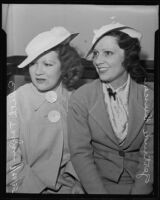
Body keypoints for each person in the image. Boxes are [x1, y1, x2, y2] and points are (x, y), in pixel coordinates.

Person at [67, 22, 154, 194]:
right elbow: (80, 154)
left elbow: (149, 155)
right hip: (96, 184)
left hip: (138, 184)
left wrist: (139, 193)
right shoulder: (81, 97)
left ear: (128, 57)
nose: (98, 61)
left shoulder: (149, 98)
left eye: (108, 53)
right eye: (96, 53)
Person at [6, 26, 84, 194]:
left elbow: (84, 147)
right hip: (26, 187)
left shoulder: (76, 99)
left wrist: (77, 179)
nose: (38, 71)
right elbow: (9, 161)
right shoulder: (15, 101)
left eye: (47, 64)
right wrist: (36, 186)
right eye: (33, 63)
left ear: (65, 67)